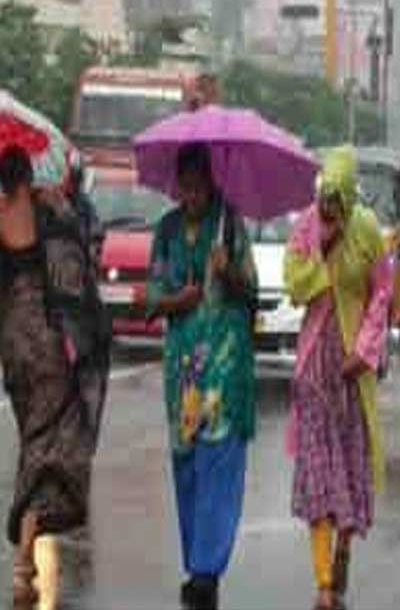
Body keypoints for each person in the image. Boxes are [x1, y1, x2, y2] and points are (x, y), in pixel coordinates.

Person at [146, 143, 258, 610]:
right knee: (188, 468)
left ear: (210, 181)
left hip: (225, 370)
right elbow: (152, 299)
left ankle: (207, 571)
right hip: (183, 372)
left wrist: (227, 272)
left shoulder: (231, 225)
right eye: (184, 187)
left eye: (197, 186)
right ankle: (195, 559)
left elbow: (250, 293)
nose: (190, 195)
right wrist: (180, 299)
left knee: (220, 466)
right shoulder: (167, 229)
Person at [0, 147, 110, 610]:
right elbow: (77, 260)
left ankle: (25, 566)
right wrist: (53, 202)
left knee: (33, 439)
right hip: (47, 342)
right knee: (49, 447)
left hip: (13, 346)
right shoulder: (51, 213)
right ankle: (24, 562)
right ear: (28, 177)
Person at [283, 146, 391, 610]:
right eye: (323, 196)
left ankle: (344, 546)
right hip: (313, 370)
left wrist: (364, 351)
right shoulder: (306, 228)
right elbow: (294, 286)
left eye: (335, 198)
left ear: (349, 197)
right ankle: (324, 582)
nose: (327, 206)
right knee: (318, 474)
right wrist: (321, 253)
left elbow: (382, 294)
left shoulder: (367, 231)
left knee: (347, 469)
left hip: (350, 374)